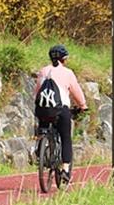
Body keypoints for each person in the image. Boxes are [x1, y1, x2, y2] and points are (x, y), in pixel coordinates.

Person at [34, 44, 88, 183]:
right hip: (60, 110)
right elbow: (77, 92)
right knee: (65, 137)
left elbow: (37, 93)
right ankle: (65, 169)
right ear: (64, 59)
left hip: (43, 110)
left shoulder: (43, 71)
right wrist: (82, 106)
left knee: (43, 129)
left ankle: (41, 149)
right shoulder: (68, 73)